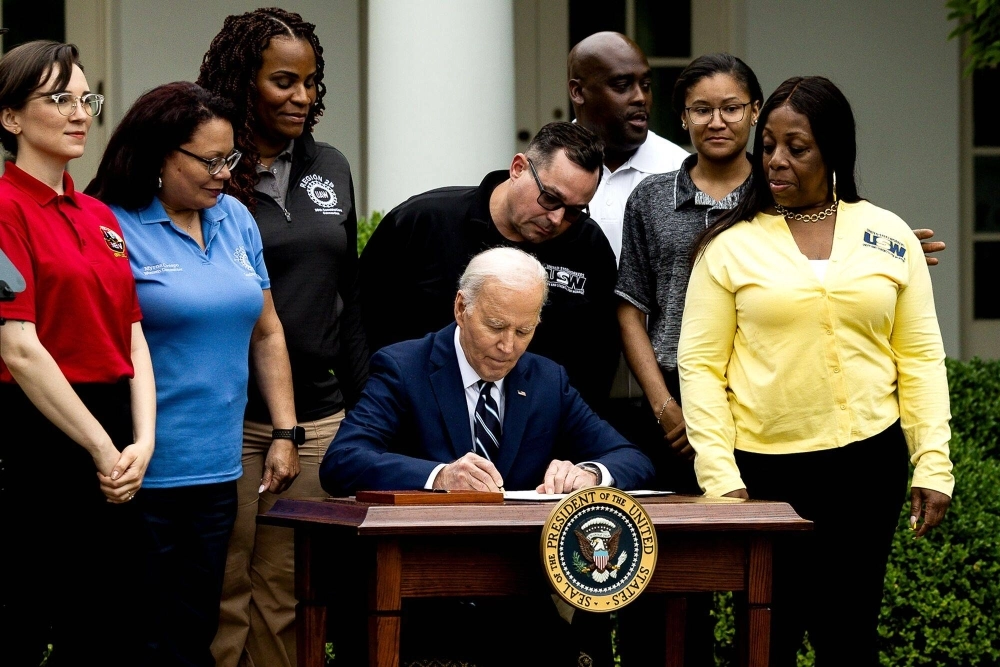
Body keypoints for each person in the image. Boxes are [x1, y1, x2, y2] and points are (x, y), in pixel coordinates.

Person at [677, 75, 954, 666]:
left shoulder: (889, 236)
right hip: (767, 473)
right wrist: (721, 479)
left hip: (866, 464)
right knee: (766, 642)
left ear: (834, 151)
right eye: (768, 145)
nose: (775, 161)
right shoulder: (727, 247)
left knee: (849, 637)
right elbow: (700, 368)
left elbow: (921, 357)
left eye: (796, 148)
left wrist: (933, 461)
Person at [323, 246, 655, 667]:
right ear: (462, 308)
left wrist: (589, 473)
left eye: (524, 330)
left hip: (517, 594)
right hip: (419, 592)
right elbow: (343, 461)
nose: (507, 346)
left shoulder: (546, 378)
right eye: (496, 326)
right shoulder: (403, 367)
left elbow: (631, 456)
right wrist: (440, 476)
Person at [86, 81, 297, 666]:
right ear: (159, 153)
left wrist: (285, 431)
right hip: (137, 472)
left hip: (216, 470)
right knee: (139, 638)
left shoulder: (234, 218)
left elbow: (268, 329)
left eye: (230, 158)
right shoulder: (112, 224)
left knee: (196, 630)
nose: (224, 174)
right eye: (208, 160)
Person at [195, 9, 369, 667]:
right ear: (245, 82)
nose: (303, 97)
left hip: (319, 417)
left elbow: (345, 292)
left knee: (290, 591)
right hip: (227, 418)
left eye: (312, 83)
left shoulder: (332, 166)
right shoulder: (204, 173)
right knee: (222, 588)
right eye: (285, 81)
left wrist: (360, 401)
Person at [0, 40, 155, 665]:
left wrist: (141, 443)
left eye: (85, 98)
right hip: (39, 434)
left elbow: (134, 337)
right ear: (11, 118)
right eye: (58, 98)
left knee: (109, 627)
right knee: (27, 620)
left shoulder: (100, 216)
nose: (79, 112)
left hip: (118, 435)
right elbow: (18, 347)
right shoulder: (4, 210)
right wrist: (102, 449)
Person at [360, 121, 619, 415]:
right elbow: (359, 319)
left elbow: (601, 353)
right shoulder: (424, 222)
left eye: (574, 211)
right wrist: (373, 402)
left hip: (539, 429)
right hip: (416, 417)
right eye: (550, 198)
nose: (557, 219)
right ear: (519, 168)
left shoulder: (588, 246)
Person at [568, 30, 689, 263]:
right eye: (622, 85)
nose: (640, 97)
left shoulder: (681, 172)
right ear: (578, 92)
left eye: (645, 85)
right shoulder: (543, 168)